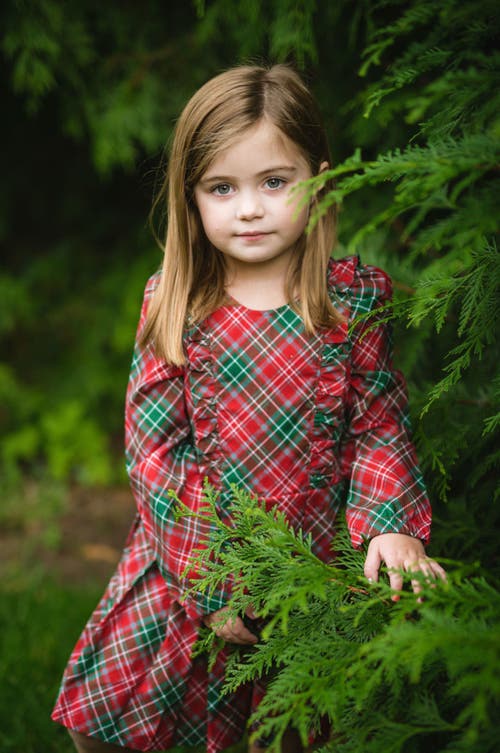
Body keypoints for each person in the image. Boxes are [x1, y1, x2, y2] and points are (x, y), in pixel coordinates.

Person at [52, 64, 446, 753]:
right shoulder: (177, 303)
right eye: (222, 188)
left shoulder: (351, 303)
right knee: (114, 726)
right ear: (192, 197)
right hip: (196, 557)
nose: (251, 208)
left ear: (319, 179)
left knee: (288, 728)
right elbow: (153, 454)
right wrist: (213, 578)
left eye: (274, 181)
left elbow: (379, 426)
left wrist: (390, 525)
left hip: (308, 558)